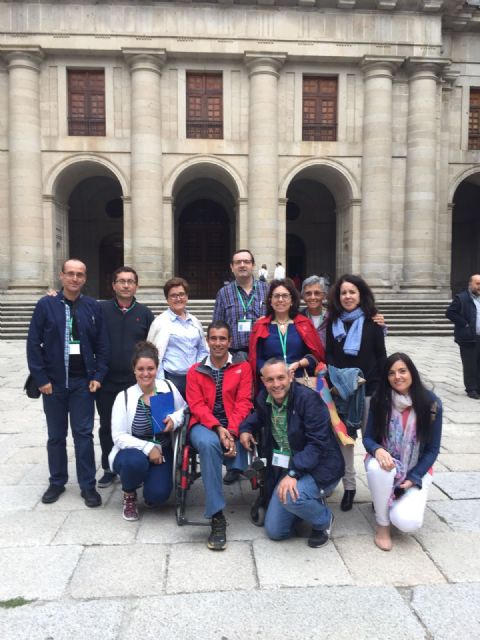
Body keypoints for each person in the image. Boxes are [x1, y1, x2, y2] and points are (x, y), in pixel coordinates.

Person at [27, 258, 109, 507]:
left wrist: (97, 376)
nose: (75, 279)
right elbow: (33, 343)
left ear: (85, 278)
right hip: (53, 383)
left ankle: (87, 486)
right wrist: (41, 379)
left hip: (82, 382)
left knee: (83, 435)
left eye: (80, 274)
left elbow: (102, 345)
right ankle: (57, 481)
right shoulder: (46, 305)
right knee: (55, 435)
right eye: (70, 274)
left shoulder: (93, 306)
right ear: (61, 276)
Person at [240, 358, 344, 547]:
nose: (276, 384)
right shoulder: (265, 399)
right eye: (270, 380)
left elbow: (317, 444)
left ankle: (323, 519)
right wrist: (245, 429)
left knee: (289, 497)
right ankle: (301, 505)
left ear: (290, 376)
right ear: (263, 381)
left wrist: (294, 473)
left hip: (320, 466)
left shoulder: (309, 399)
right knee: (276, 531)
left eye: (281, 377)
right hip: (286, 465)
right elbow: (258, 416)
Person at [363, 353, 442, 551]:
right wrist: (377, 449)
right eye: (391, 373)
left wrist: (415, 476)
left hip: (416, 469)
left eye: (402, 371)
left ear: (411, 373)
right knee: (380, 468)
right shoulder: (380, 400)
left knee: (407, 522)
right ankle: (382, 524)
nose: (397, 377)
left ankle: (388, 500)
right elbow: (368, 438)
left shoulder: (431, 404)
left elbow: (432, 450)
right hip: (386, 462)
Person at [186, 321, 253, 550]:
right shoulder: (195, 371)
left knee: (244, 438)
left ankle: (239, 464)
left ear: (230, 342)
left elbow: (244, 402)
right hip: (203, 425)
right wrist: (217, 428)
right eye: (213, 338)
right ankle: (216, 515)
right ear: (207, 340)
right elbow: (196, 405)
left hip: (233, 424)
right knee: (208, 445)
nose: (217, 343)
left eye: (222, 338)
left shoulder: (243, 368)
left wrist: (231, 431)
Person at [326, 274, 386, 512]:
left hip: (370, 391)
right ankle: (349, 488)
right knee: (345, 442)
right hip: (343, 393)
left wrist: (380, 387)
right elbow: (330, 355)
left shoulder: (373, 323)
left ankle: (379, 491)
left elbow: (381, 356)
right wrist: (340, 380)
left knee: (375, 441)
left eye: (352, 292)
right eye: (343, 293)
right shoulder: (333, 323)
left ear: (361, 295)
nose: (348, 297)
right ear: (338, 297)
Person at [109, 341, 186, 520]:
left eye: (150, 368)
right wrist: (147, 448)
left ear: (157, 368)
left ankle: (151, 482)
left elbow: (184, 409)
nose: (146, 373)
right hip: (133, 450)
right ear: (134, 370)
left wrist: (175, 419)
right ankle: (129, 494)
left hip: (163, 449)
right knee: (134, 463)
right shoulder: (124, 397)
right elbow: (118, 436)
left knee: (157, 497)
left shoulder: (167, 387)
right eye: (141, 369)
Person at [95, 266, 154, 489]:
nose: (126, 285)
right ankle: (109, 468)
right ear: (113, 285)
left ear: (136, 285)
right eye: (121, 281)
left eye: (130, 281)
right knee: (107, 426)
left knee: (138, 425)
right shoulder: (101, 310)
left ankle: (135, 466)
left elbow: (151, 347)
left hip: (137, 382)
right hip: (107, 380)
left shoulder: (145, 313)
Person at [248, 278, 325, 389]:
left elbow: (315, 357)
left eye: (285, 296)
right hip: (271, 385)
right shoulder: (261, 326)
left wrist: (298, 364)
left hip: (299, 382)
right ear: (270, 300)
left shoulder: (304, 324)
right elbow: (256, 359)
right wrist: (272, 373)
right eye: (276, 296)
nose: (280, 299)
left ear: (292, 300)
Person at [147, 277, 208, 398]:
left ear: (187, 296)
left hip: (194, 379)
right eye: (173, 295)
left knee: (193, 415)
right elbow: (154, 355)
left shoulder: (195, 321)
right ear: (167, 299)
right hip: (170, 379)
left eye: (181, 294)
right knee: (170, 416)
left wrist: (199, 370)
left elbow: (202, 349)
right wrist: (160, 384)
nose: (178, 298)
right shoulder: (160, 322)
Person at [213, 249, 269, 358]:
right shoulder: (224, 293)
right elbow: (217, 325)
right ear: (232, 267)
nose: (242, 265)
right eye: (238, 262)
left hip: (264, 353)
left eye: (246, 262)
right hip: (234, 354)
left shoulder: (267, 289)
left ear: (253, 265)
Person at [446, 274, 480, 399]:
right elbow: (450, 312)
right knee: (470, 364)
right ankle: (471, 389)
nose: (479, 286)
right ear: (470, 284)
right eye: (477, 283)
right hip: (468, 337)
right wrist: (464, 323)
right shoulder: (462, 298)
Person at [300, 275, 328, 348]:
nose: (312, 297)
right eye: (308, 293)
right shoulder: (298, 319)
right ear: (303, 296)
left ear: (324, 295)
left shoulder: (333, 317)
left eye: (317, 293)